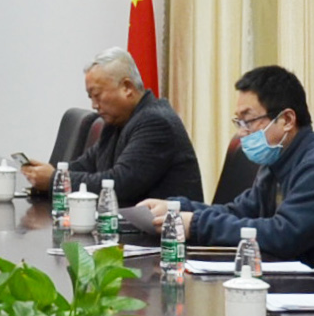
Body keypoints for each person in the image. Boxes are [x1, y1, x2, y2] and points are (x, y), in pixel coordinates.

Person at [141, 65, 314, 276]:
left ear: (287, 120)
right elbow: (239, 212)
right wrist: (176, 208)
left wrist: (195, 224)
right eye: (238, 122)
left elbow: (281, 235)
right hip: (294, 282)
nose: (242, 132)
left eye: (249, 120)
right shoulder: (278, 162)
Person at [20, 48, 202, 202]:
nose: (94, 105)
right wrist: (49, 173)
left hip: (166, 231)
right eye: (91, 97)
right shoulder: (118, 122)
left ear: (127, 87)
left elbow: (119, 185)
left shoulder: (155, 122)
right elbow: (86, 164)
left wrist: (56, 180)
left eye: (97, 95)